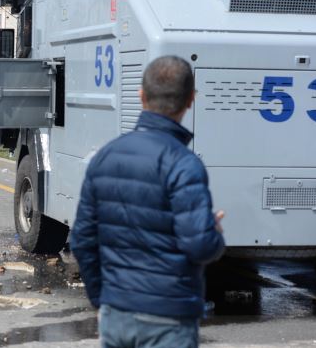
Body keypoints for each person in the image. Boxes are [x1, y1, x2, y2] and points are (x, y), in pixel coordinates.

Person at [71, 56, 226, 348]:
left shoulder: (105, 157)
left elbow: (81, 239)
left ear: (141, 96)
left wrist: (102, 297)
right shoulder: (184, 164)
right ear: (191, 100)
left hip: (117, 313)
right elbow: (199, 245)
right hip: (170, 318)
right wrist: (214, 233)